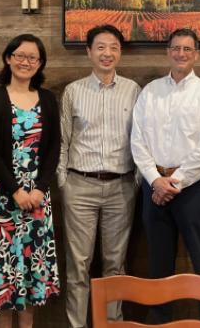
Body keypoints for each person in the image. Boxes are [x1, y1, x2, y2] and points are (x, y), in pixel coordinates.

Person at [130, 28, 200, 323]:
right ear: (167, 51)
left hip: (195, 189)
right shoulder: (151, 91)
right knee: (158, 263)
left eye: (187, 49)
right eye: (175, 48)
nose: (181, 54)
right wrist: (155, 180)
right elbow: (137, 140)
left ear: (196, 54)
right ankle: (160, 321)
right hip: (153, 186)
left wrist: (176, 182)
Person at [0, 34, 60, 328]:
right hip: (2, 200)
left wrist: (39, 190)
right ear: (8, 58)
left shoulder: (47, 99)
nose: (25, 61)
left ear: (40, 63)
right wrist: (16, 190)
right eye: (19, 55)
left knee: (32, 276)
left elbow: (54, 149)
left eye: (33, 57)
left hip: (37, 200)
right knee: (3, 276)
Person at [57, 24, 140, 328]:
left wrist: (136, 181)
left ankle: (111, 323)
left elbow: (141, 139)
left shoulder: (134, 90)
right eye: (101, 47)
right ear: (89, 51)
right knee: (78, 265)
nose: (108, 53)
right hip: (80, 186)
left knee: (115, 264)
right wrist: (65, 184)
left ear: (120, 52)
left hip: (121, 186)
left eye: (114, 47)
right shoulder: (74, 91)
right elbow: (63, 142)